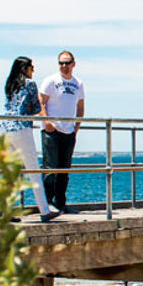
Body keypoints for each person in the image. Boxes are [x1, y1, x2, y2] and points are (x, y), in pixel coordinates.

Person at [0, 56, 59, 222]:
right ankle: (44, 210)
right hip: (21, 128)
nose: (33, 70)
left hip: (5, 129)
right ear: (25, 68)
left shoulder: (9, 85)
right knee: (33, 170)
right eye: (31, 67)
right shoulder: (29, 84)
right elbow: (35, 107)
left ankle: (5, 210)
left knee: (10, 173)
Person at [40, 50, 85, 214]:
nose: (64, 66)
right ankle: (47, 203)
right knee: (50, 168)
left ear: (73, 64)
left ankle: (61, 202)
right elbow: (41, 102)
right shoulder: (50, 80)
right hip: (52, 131)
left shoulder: (78, 83)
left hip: (69, 131)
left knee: (64, 169)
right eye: (61, 63)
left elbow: (80, 107)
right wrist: (47, 123)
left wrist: (76, 128)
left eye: (67, 62)